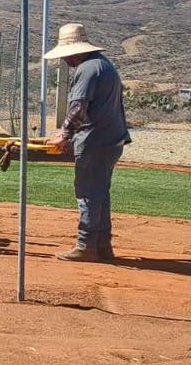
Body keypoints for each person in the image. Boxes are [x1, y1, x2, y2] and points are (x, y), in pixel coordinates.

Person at [41, 22, 132, 262]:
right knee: (100, 193)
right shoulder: (104, 65)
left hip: (94, 141)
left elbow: (78, 108)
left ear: (74, 50)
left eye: (66, 56)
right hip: (111, 139)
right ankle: (102, 246)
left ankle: (86, 246)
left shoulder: (88, 69)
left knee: (88, 193)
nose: (65, 61)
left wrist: (64, 135)